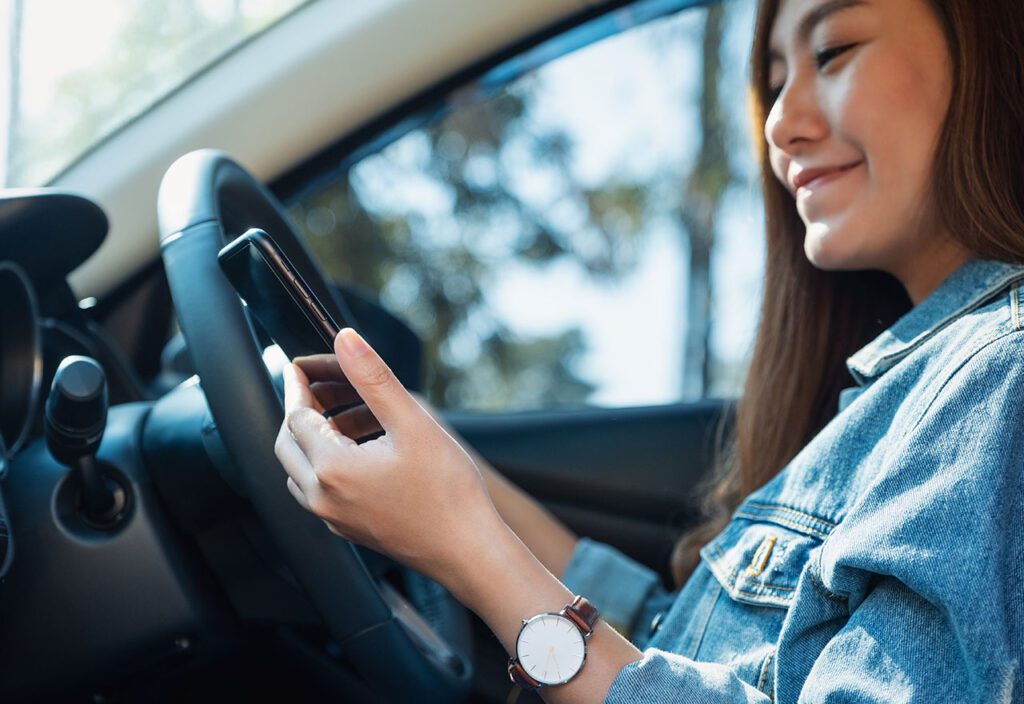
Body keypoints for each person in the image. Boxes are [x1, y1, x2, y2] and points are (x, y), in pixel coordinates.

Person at [274, 0, 1024, 700]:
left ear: (987, 55)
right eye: (772, 80)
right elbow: (679, 635)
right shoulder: (914, 384)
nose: (781, 122)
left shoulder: (1001, 376)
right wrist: (439, 467)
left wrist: (465, 547)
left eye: (833, 52)